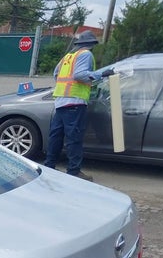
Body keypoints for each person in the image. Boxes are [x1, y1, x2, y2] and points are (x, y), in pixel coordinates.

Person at [43, 30, 114, 181]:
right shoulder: (86, 54)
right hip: (75, 102)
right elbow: (79, 75)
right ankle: (74, 171)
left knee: (56, 136)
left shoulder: (68, 56)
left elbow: (56, 74)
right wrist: (101, 75)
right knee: (74, 138)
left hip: (61, 101)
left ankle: (49, 166)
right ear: (92, 44)